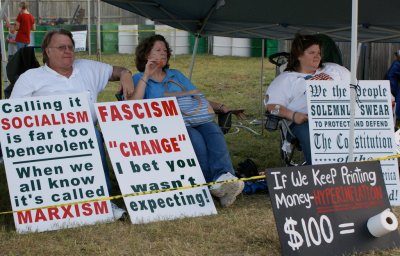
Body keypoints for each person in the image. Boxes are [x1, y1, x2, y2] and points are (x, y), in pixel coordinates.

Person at [10, 28, 135, 220]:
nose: (68, 51)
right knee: (92, 135)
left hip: (87, 132)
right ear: (47, 51)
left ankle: (104, 199)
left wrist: (126, 74)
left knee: (93, 134)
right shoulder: (31, 78)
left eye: (70, 47)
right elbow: (14, 117)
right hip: (47, 139)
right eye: (61, 47)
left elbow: (115, 71)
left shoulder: (85, 67)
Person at [130, 34, 244, 207]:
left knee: (214, 131)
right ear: (146, 55)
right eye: (158, 50)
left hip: (192, 117)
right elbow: (132, 105)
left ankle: (224, 178)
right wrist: (147, 74)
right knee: (196, 139)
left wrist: (220, 106)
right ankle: (210, 184)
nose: (163, 54)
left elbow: (195, 98)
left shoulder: (175, 74)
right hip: (167, 125)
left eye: (165, 50)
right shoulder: (139, 78)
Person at [265, 34, 350, 165]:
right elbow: (272, 107)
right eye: (312, 52)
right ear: (299, 55)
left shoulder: (334, 70)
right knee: (312, 132)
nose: (317, 56)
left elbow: (359, 88)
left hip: (341, 118)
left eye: (319, 53)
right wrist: (293, 115)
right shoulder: (286, 79)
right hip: (305, 122)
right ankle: (323, 177)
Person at [385, 50, 400, 128]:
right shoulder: (397, 64)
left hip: (391, 86)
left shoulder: (396, 63)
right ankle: (396, 118)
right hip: (392, 86)